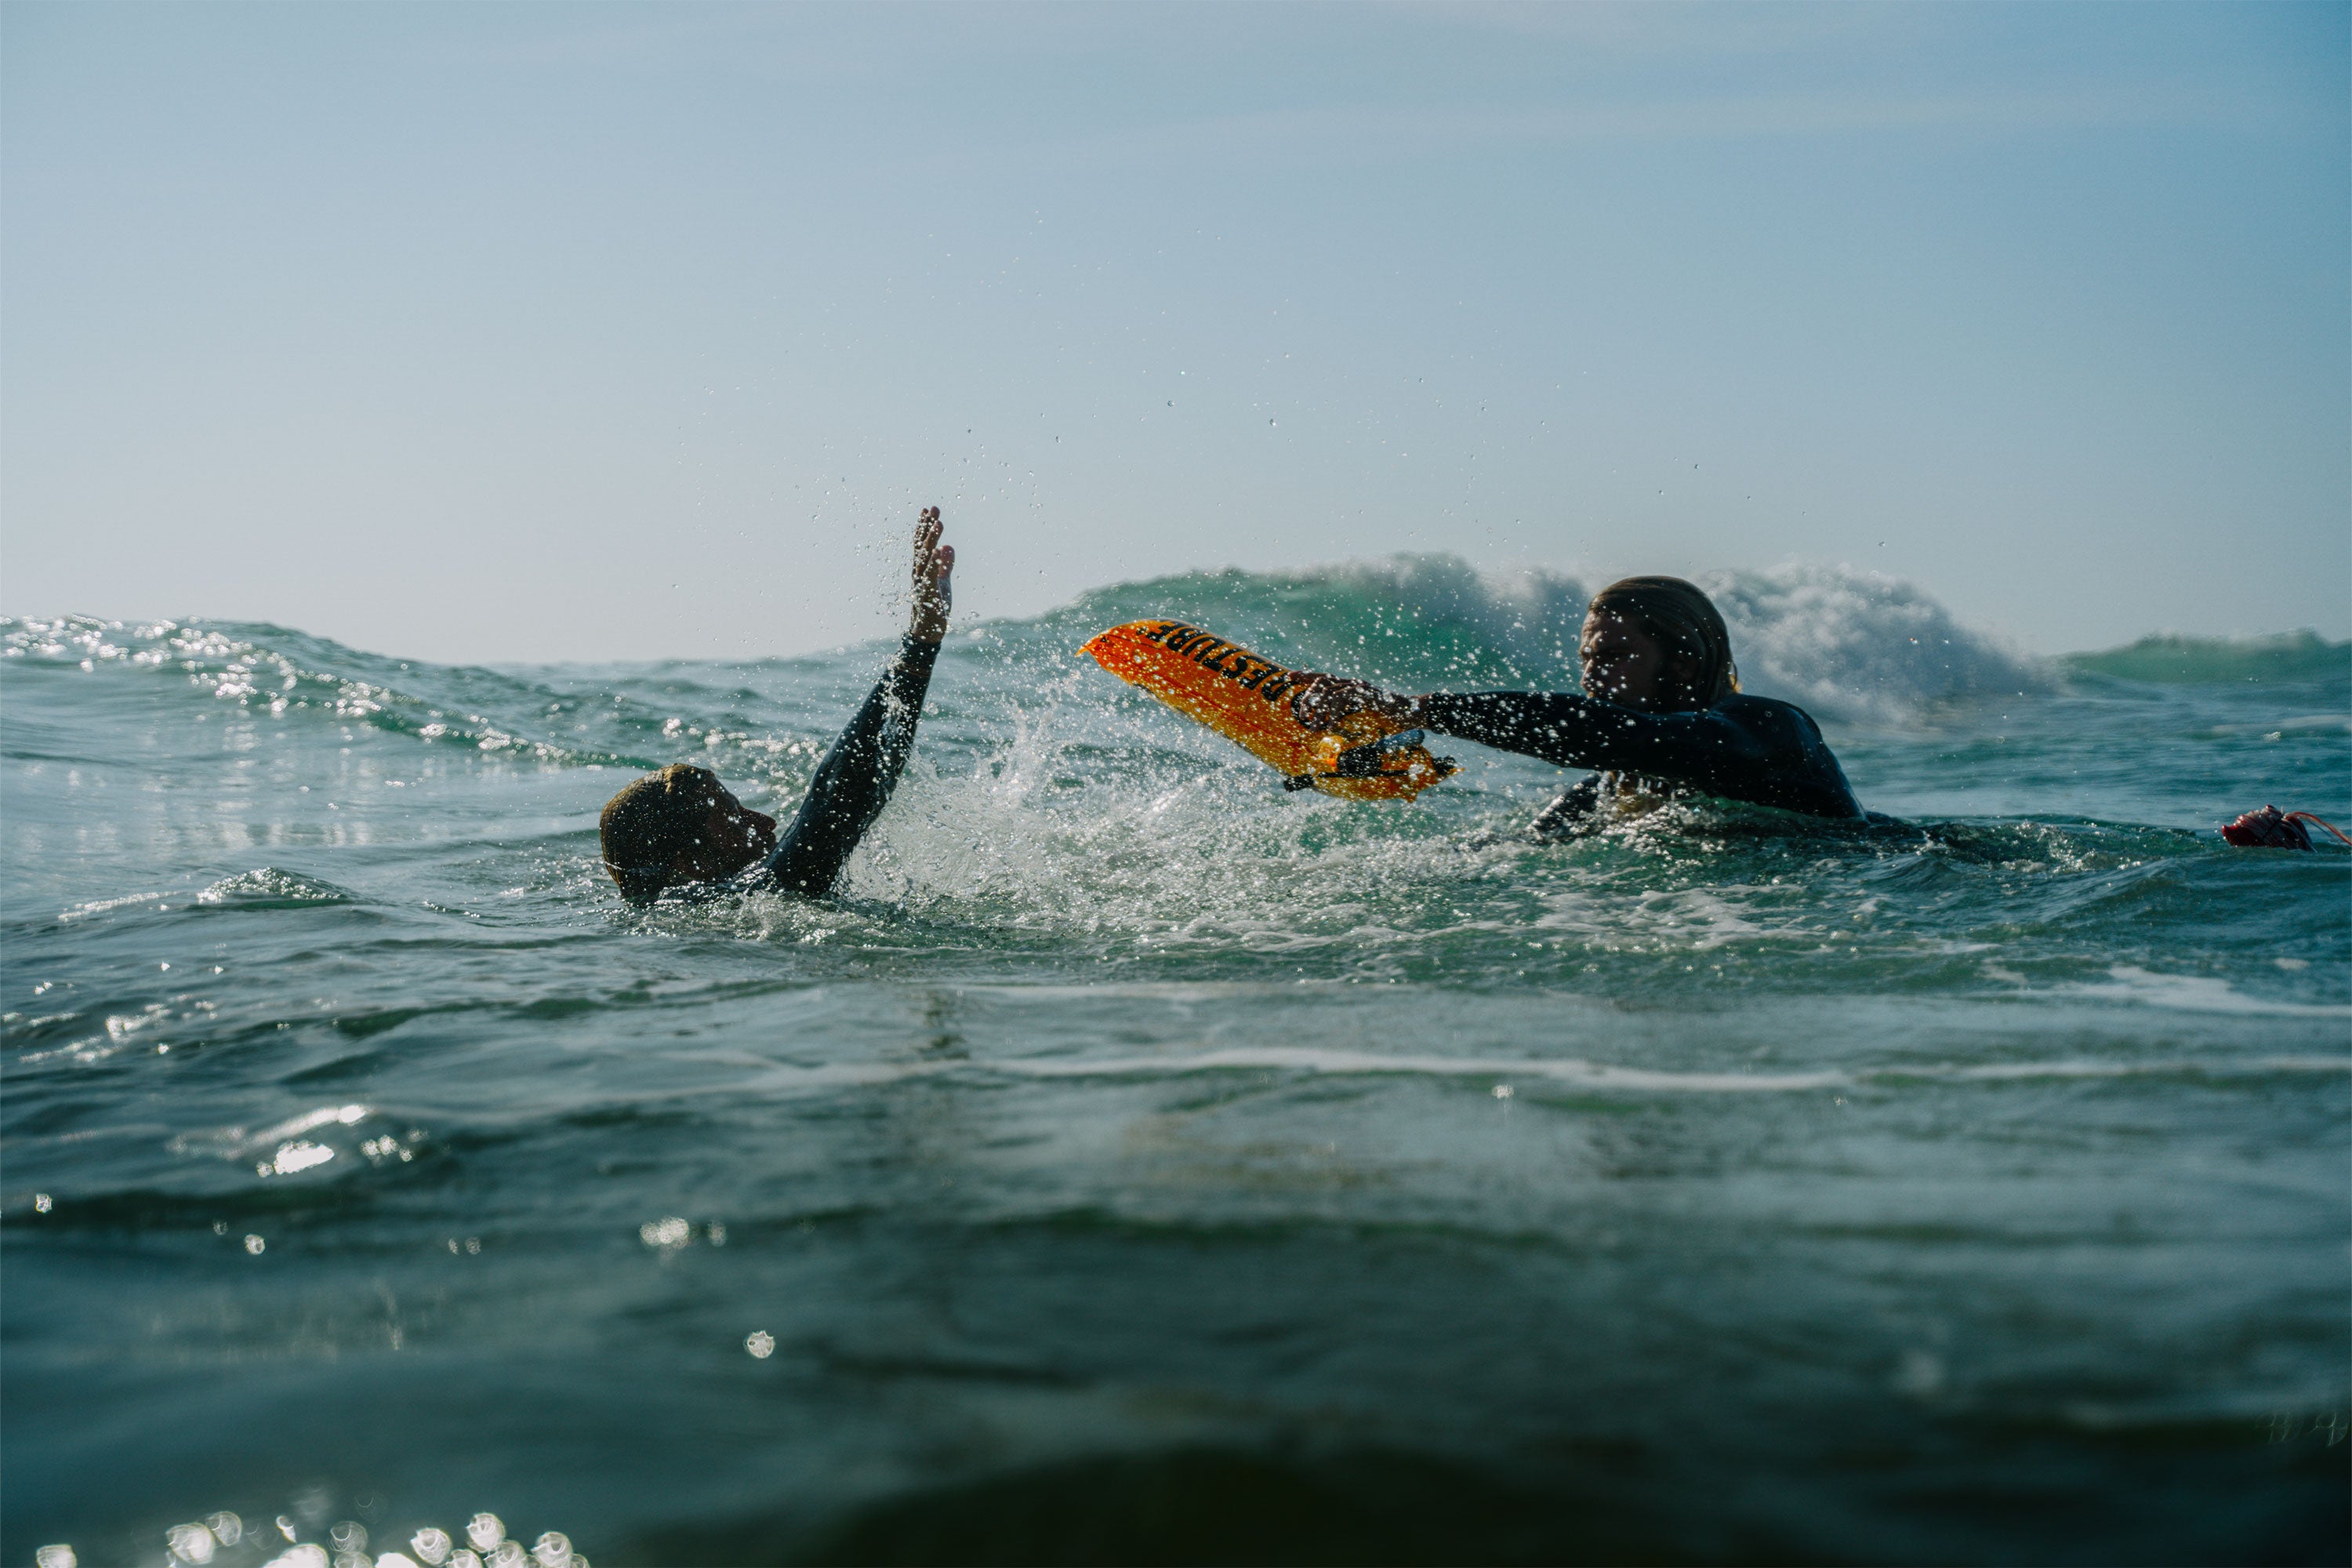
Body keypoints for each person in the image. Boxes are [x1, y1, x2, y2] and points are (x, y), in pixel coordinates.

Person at [1289, 575, 1861, 833]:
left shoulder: (1770, 727)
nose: (1592, 676)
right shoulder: (1610, 792)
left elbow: (1610, 733)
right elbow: (1507, 855)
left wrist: (1421, 711)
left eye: (1613, 657)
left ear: (1683, 662)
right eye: (1588, 658)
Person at [597, 509, 954, 903]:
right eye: (732, 818)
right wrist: (919, 647)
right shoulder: (750, 898)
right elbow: (836, 806)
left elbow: (856, 795)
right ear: (689, 864)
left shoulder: (686, 913)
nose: (765, 822)